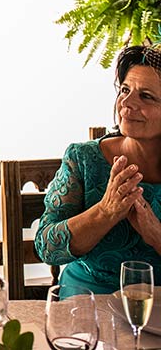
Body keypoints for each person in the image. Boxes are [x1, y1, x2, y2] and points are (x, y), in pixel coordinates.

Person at [35, 45, 161, 294]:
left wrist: (155, 233)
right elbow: (46, 247)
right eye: (125, 90)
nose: (126, 102)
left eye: (145, 96)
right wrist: (105, 212)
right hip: (87, 303)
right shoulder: (83, 158)